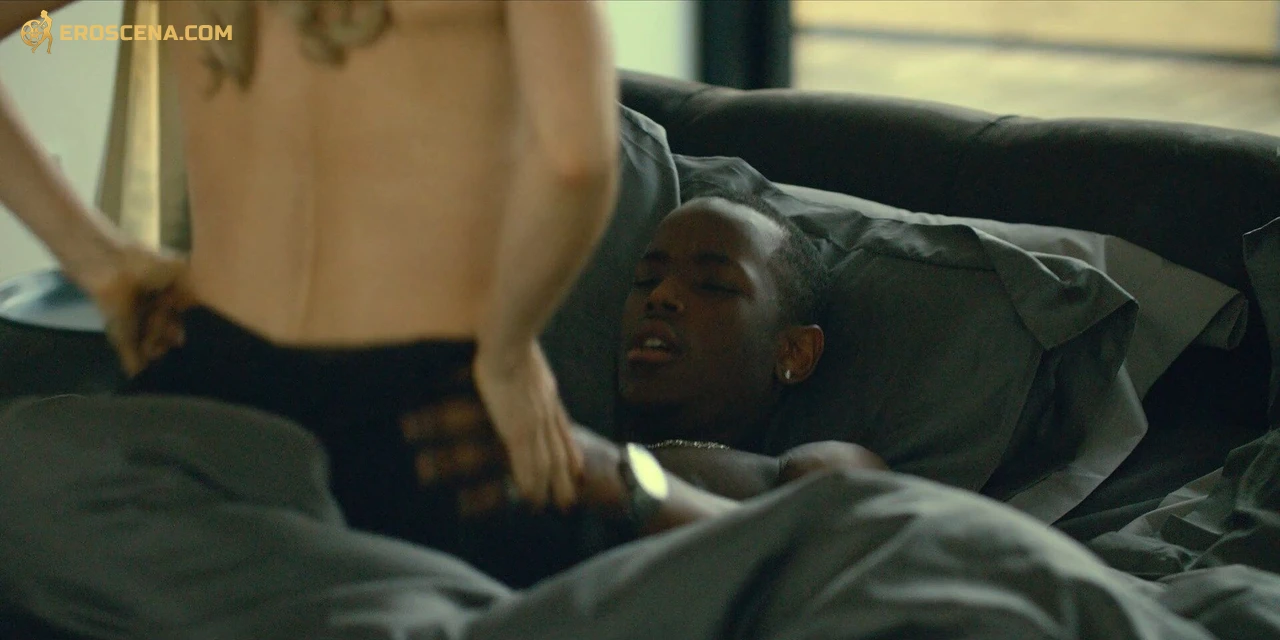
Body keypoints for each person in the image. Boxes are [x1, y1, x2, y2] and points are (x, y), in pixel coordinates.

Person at [0, 1, 619, 516]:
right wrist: (507, 356)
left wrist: (99, 262)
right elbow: (577, 163)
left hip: (203, 380)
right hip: (426, 424)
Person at [406, 191, 888, 586]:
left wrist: (623, 483)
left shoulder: (805, 471)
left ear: (794, 353)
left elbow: (837, 568)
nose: (661, 296)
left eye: (714, 284)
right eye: (646, 279)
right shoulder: (568, 445)